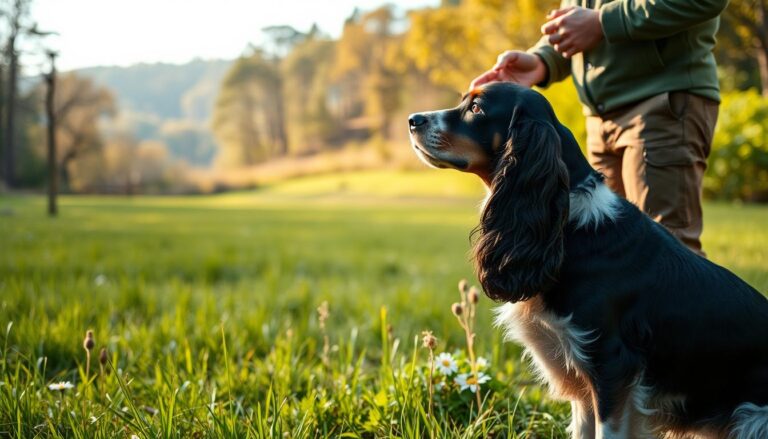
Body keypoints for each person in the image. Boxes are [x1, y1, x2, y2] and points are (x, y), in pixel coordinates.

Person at [470, 1, 727, 256]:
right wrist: (543, 60)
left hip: (661, 105)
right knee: (605, 251)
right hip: (598, 119)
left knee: (669, 252)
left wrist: (603, 22)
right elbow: (578, 21)